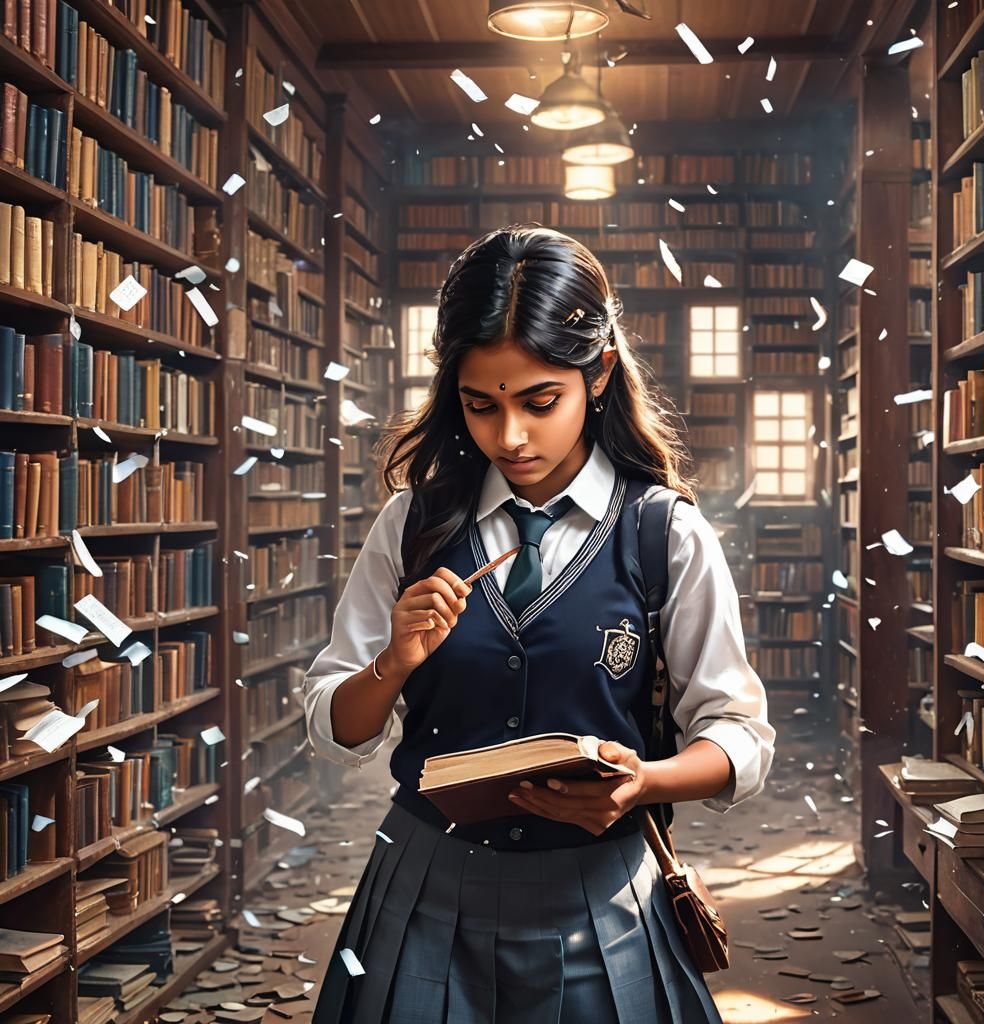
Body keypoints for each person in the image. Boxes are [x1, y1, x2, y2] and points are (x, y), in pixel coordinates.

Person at [303, 225, 775, 1023]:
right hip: (424, 888)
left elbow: (739, 736)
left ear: (599, 375)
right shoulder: (412, 525)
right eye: (480, 405)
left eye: (538, 401)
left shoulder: (663, 533)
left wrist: (643, 785)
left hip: (603, 897)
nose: (509, 436)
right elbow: (335, 728)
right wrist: (393, 663)